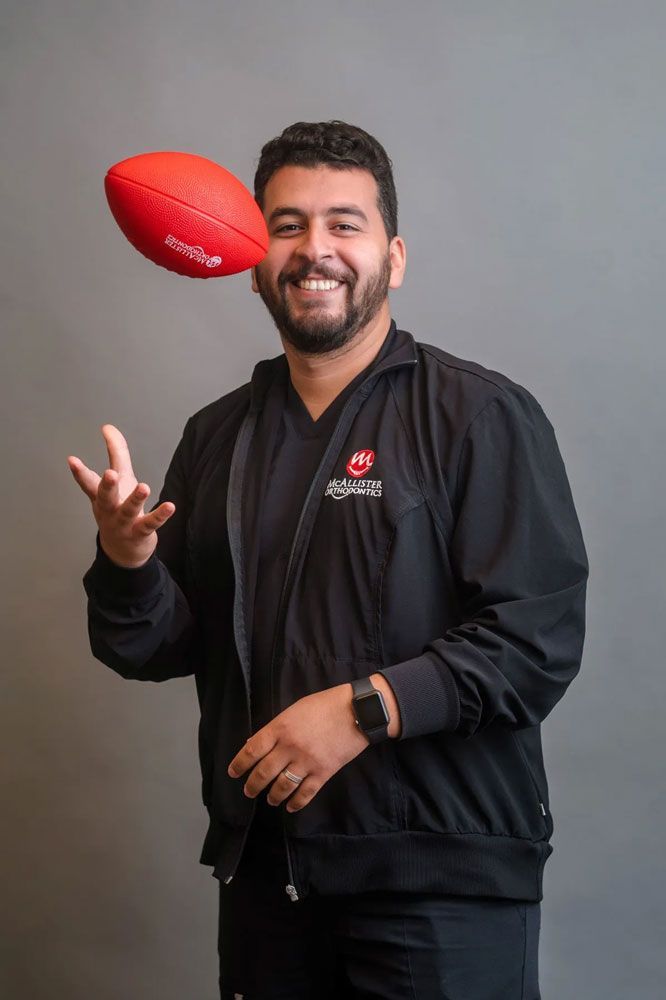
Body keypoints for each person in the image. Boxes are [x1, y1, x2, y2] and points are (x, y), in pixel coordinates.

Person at [68, 120, 589, 999]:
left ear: (394, 253)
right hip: (269, 878)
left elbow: (535, 641)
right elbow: (156, 649)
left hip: (441, 886)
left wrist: (362, 710)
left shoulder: (478, 416)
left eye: (344, 224)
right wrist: (128, 559)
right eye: (286, 225)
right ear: (249, 249)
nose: (316, 250)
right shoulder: (218, 435)